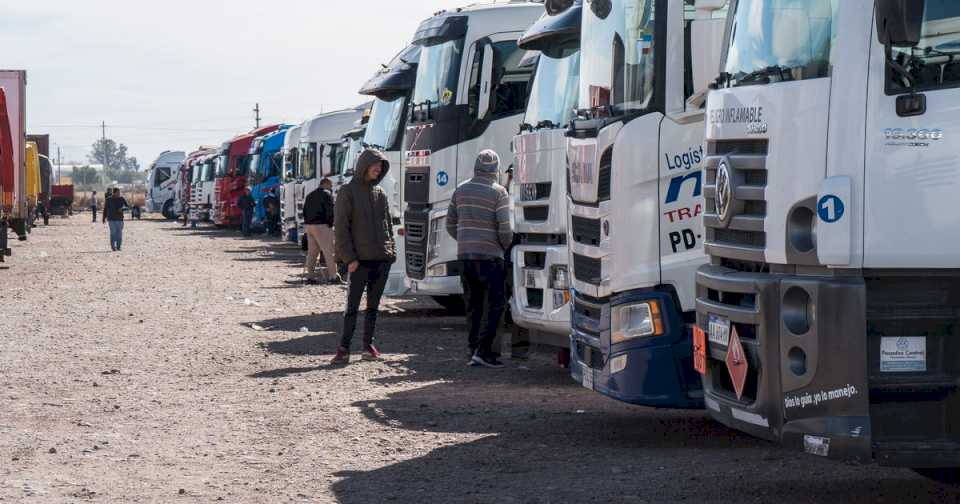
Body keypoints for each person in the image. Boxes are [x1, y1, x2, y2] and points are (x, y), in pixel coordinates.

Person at [446, 150, 513, 368]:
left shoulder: (460, 190)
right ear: (496, 170)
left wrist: (466, 239)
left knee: (473, 305)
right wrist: (502, 247)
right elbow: (505, 228)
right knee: (496, 305)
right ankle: (484, 351)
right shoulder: (499, 192)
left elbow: (449, 224)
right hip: (490, 257)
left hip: (465, 256)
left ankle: (472, 348)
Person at [331, 149, 396, 364]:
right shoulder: (347, 192)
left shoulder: (381, 193)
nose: (378, 169)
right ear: (364, 165)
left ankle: (368, 346)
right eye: (375, 165)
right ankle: (344, 348)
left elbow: (388, 225)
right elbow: (341, 228)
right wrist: (349, 259)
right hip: (358, 262)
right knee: (352, 308)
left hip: (381, 260)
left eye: (381, 166)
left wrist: (391, 253)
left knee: (373, 307)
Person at [303, 178, 338, 285]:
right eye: (330, 185)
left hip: (309, 226)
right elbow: (330, 211)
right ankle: (333, 276)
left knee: (312, 253)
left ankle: (310, 276)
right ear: (326, 184)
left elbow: (304, 211)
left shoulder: (310, 195)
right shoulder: (327, 194)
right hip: (322, 226)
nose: (331, 187)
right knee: (329, 252)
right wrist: (331, 224)